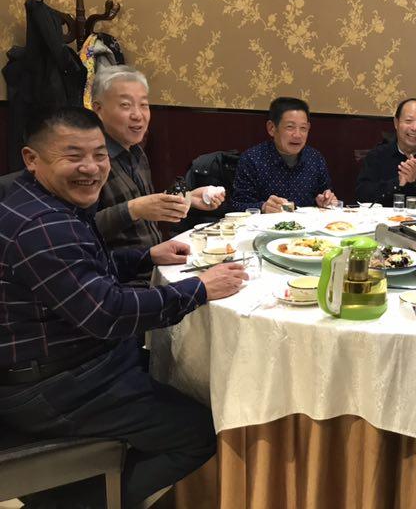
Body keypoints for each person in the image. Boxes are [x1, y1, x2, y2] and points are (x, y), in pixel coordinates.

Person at [0, 107, 247, 507]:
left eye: (99, 155)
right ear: (32, 159)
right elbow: (108, 313)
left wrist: (146, 256)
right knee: (200, 430)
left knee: (180, 370)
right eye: (73, 156)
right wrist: (200, 288)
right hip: (55, 385)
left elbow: (82, 273)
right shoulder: (42, 224)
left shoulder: (38, 200)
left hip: (63, 363)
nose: (91, 168)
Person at [92, 65, 225, 285]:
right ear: (98, 109)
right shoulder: (91, 160)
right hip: (119, 279)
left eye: (143, 105)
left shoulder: (136, 152)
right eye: (125, 105)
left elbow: (143, 205)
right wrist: (133, 209)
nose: (138, 115)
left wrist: (188, 198)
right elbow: (79, 229)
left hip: (155, 263)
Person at [231, 96, 338, 212]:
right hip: (268, 223)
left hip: (308, 222)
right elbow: (237, 204)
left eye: (303, 128)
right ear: (272, 128)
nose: (297, 135)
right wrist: (263, 207)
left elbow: (325, 195)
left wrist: (326, 200)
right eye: (290, 127)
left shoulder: (315, 158)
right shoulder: (252, 159)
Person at [355, 98, 416, 206]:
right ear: (396, 123)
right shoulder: (377, 156)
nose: (414, 128)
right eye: (408, 121)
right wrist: (397, 183)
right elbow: (362, 194)